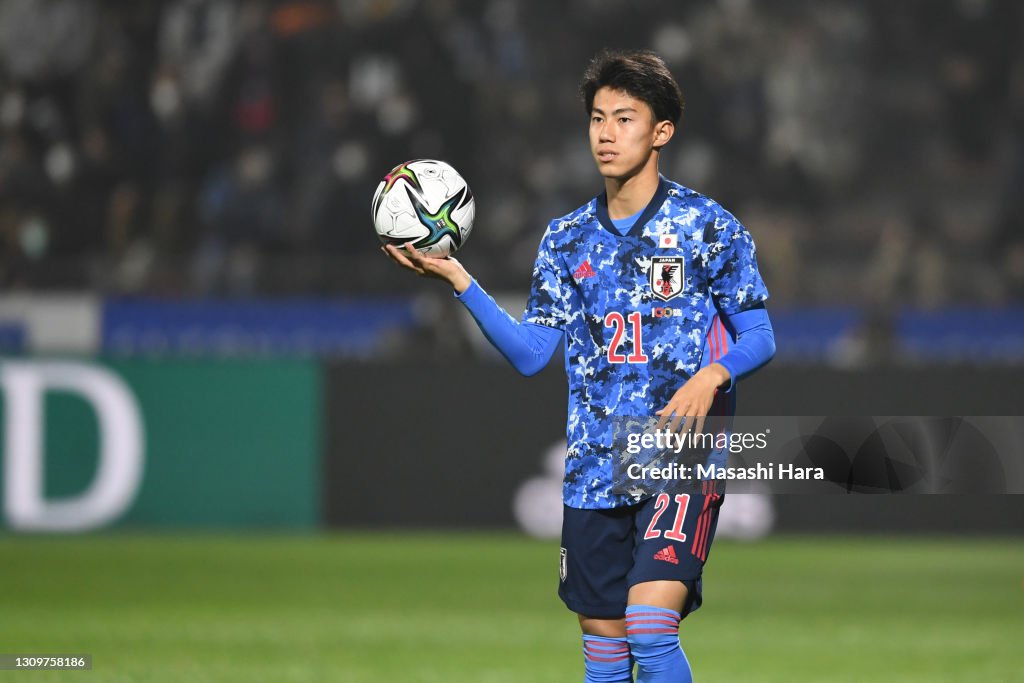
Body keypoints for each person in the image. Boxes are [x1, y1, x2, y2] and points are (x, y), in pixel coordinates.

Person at [383, 49, 775, 683]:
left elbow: (760, 336)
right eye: (597, 118)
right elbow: (532, 355)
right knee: (605, 651)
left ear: (661, 132)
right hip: (595, 464)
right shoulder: (565, 239)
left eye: (625, 118)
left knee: (650, 625)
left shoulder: (709, 228)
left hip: (680, 453)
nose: (606, 133)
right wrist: (458, 278)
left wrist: (713, 374)